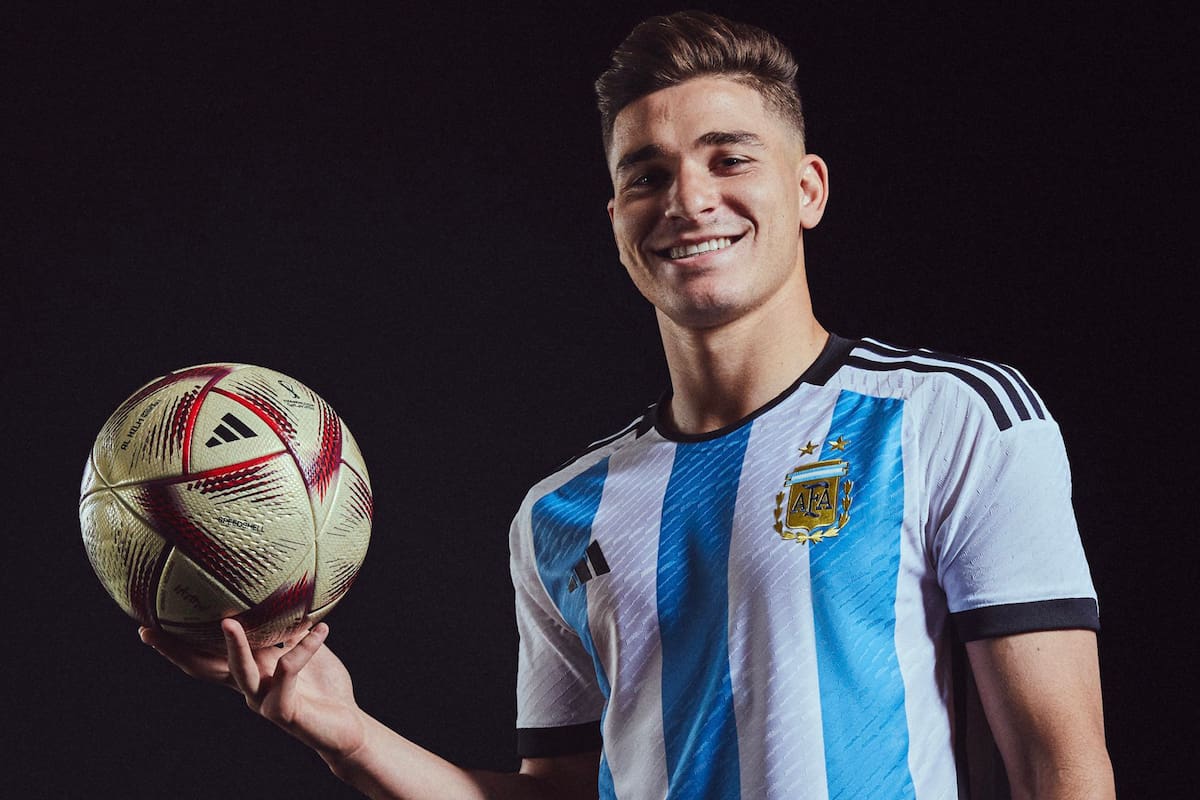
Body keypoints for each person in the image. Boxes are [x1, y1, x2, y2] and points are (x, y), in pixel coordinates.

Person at [142, 10, 1114, 799]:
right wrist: (345, 733)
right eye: (647, 174)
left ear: (807, 187)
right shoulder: (560, 514)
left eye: (729, 157)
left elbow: (1062, 771)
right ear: (617, 220)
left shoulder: (953, 419)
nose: (688, 198)